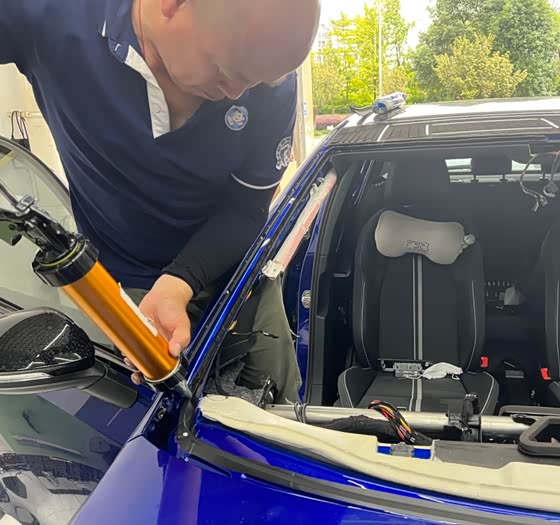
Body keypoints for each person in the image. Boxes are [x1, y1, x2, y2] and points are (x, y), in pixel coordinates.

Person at [0, 0, 321, 402]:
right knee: (154, 418)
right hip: (128, 289)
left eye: (255, 83)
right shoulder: (51, 12)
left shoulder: (268, 83)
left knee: (278, 415)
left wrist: (181, 281)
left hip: (236, 273)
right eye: (225, 71)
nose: (238, 93)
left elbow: (247, 208)